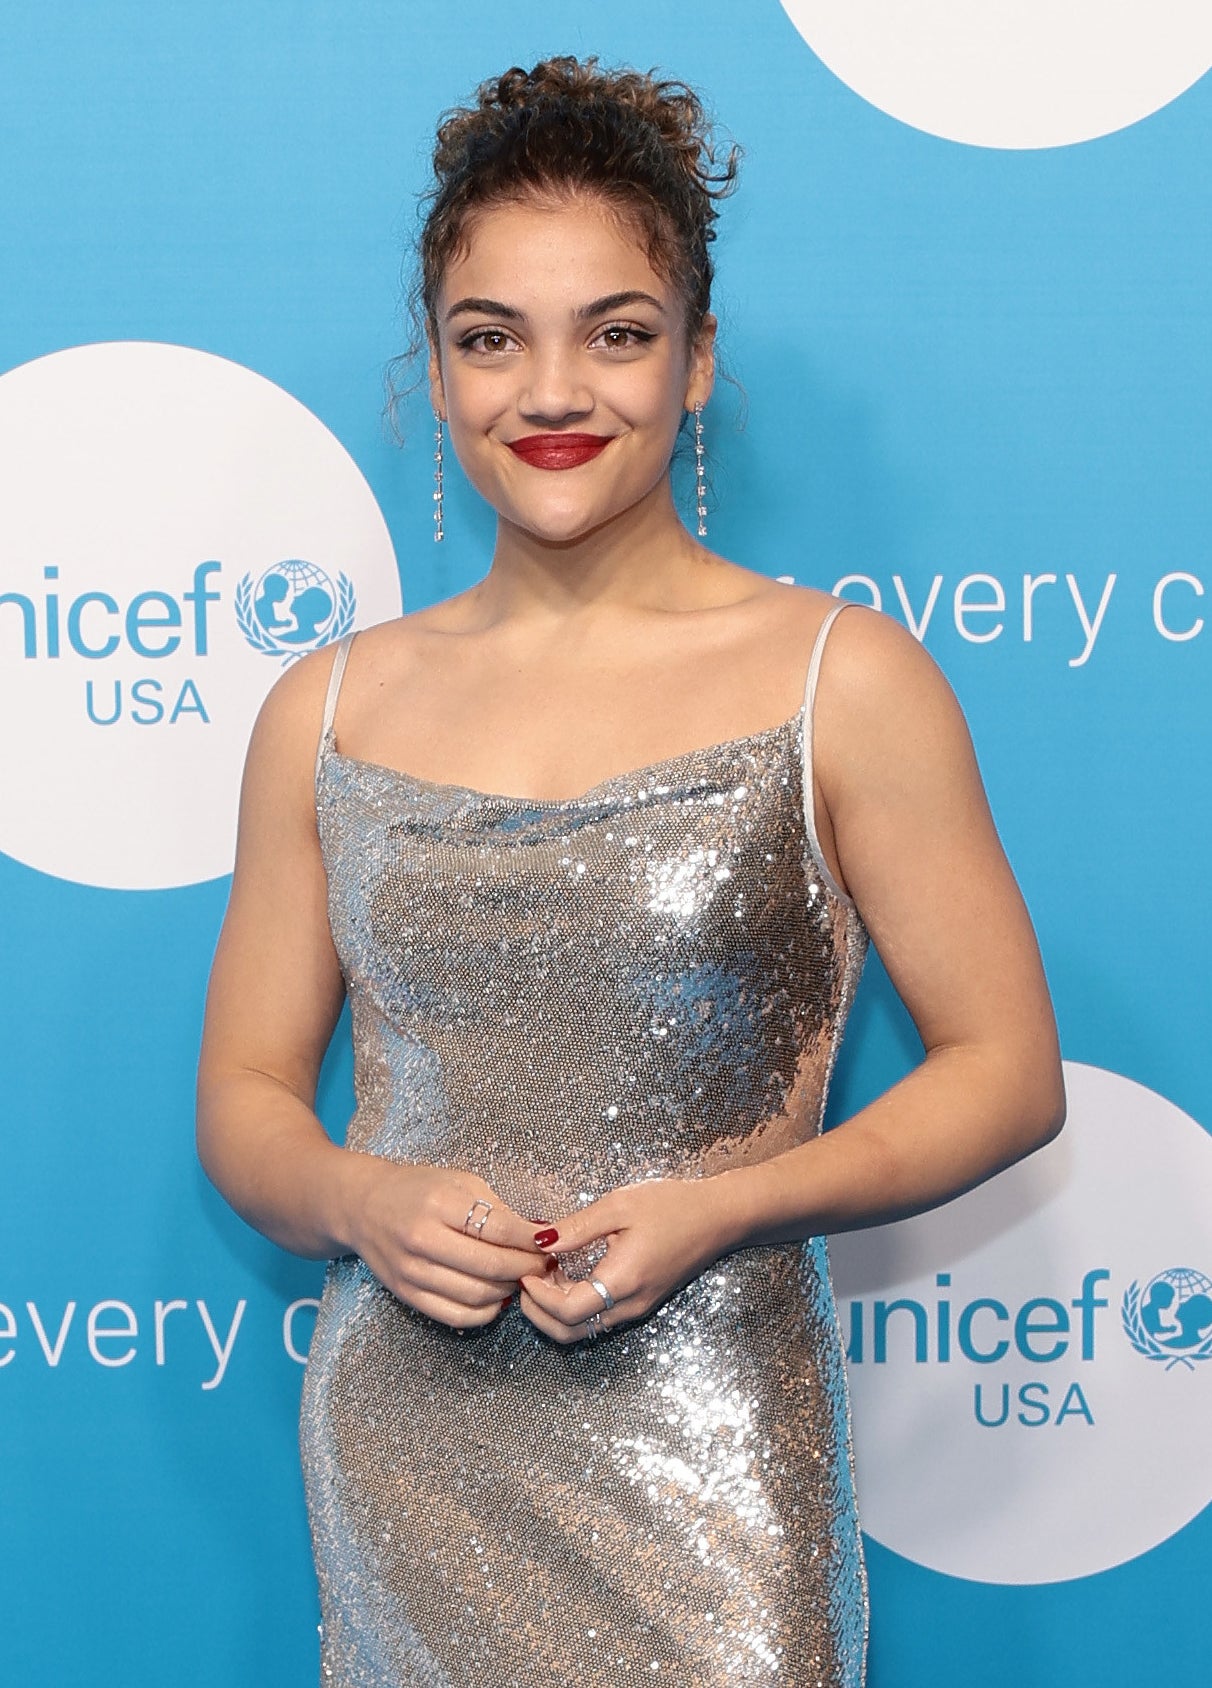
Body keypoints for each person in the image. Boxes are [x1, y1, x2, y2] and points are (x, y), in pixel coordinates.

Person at [196, 55, 1064, 1688]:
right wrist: (359, 1199)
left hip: (716, 1450)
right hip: (407, 1449)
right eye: (490, 336)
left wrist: (728, 1209)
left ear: (696, 361)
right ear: (434, 372)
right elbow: (245, 1093)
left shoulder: (843, 680)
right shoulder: (323, 709)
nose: (551, 391)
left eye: (616, 329)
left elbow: (1010, 1073)